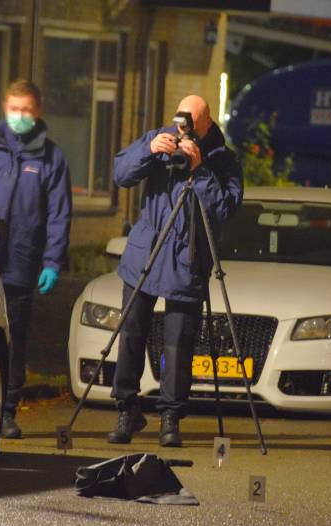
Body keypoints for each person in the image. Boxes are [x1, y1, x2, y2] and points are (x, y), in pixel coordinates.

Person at [108, 95, 243, 447]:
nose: (182, 131)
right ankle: (127, 408)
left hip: (187, 260)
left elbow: (226, 208)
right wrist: (149, 150)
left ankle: (170, 416)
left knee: (178, 344)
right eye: (178, 122)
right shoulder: (160, 138)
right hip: (145, 255)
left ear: (206, 124)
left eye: (189, 125)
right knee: (131, 334)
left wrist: (200, 171)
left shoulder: (222, 160)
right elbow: (121, 175)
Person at [0, 79, 72, 439]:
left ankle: (6, 410)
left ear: (37, 112)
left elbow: (58, 215)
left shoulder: (51, 159)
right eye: (14, 109)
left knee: (14, 339)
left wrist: (52, 261)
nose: (19, 116)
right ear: (4, 108)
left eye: (26, 110)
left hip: (21, 262)